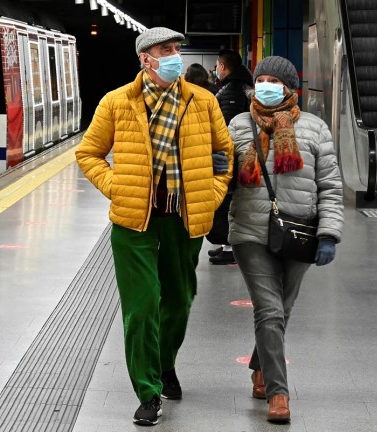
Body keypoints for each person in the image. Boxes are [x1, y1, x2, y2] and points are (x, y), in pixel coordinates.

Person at [76, 27, 233, 426]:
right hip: (133, 224)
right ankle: (148, 391)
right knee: (142, 307)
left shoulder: (201, 101)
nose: (175, 55)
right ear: (145, 58)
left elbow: (224, 153)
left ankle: (165, 365)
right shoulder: (117, 103)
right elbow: (88, 152)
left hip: (183, 219)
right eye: (166, 50)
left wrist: (211, 194)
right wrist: (117, 187)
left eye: (177, 49)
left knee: (178, 302)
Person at [227, 55, 343, 424]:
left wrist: (329, 233)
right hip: (249, 231)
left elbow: (330, 186)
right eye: (260, 80)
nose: (265, 86)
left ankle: (261, 365)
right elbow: (222, 175)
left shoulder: (314, 129)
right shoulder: (239, 125)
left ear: (290, 88)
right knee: (270, 309)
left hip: (299, 234)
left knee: (282, 310)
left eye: (273, 81)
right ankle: (278, 394)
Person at [207, 49, 255, 264]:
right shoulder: (237, 86)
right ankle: (228, 245)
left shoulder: (231, 91)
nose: (216, 69)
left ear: (223, 67)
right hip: (237, 156)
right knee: (230, 202)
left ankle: (231, 247)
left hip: (232, 157)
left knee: (230, 203)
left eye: (217, 65)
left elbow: (226, 129)